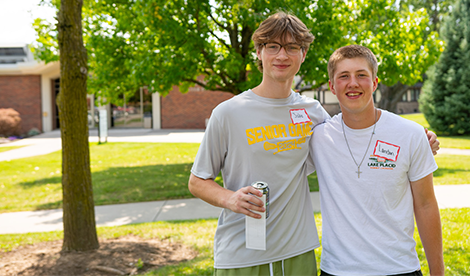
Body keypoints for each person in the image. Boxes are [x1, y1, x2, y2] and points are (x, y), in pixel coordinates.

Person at [188, 11, 330, 275]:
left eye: (291, 47)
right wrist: (230, 199)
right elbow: (197, 181)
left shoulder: (314, 112)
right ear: (259, 52)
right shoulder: (228, 112)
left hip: (297, 252)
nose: (282, 56)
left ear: (303, 54)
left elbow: (353, 140)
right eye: (273, 46)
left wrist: (415, 137)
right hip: (242, 255)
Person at [309, 45, 445, 276]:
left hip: (399, 268)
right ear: (332, 86)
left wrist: (438, 273)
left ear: (374, 82)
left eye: (361, 75)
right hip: (338, 271)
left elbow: (425, 205)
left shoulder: (410, 134)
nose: (353, 83)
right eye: (344, 76)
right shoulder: (318, 137)